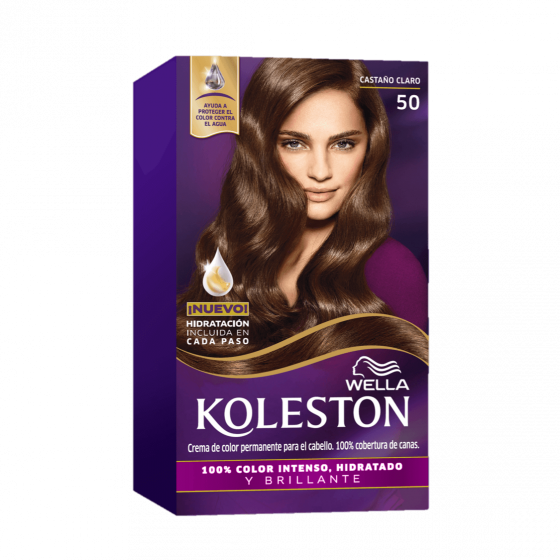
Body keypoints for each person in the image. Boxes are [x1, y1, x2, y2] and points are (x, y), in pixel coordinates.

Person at [177, 58, 429, 374]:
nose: (320, 172)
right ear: (261, 148)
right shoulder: (229, 253)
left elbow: (398, 400)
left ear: (370, 148)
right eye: (294, 143)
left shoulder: (393, 272)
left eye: (343, 144)